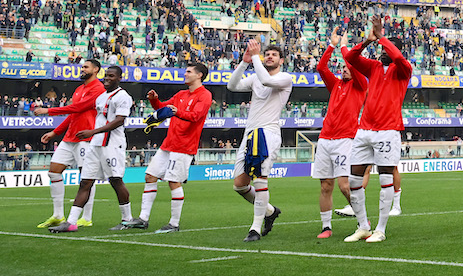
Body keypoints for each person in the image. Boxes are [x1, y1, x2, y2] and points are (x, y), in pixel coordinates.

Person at [343, 16, 413, 244]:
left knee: (385, 179)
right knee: (354, 180)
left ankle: (380, 230)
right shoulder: (373, 67)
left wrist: (382, 38)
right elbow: (350, 58)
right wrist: (367, 41)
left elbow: (398, 58)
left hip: (388, 130)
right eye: (381, 48)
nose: (382, 52)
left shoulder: (403, 70)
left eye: (386, 49)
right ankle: (363, 226)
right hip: (364, 130)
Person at [121, 62, 213, 232]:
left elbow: (196, 116)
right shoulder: (181, 94)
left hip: (184, 146)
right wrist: (154, 100)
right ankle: (143, 219)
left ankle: (174, 224)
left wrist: (177, 112)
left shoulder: (205, 95)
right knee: (150, 176)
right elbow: (162, 109)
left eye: (189, 72)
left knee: (173, 181)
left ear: (199, 75)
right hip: (169, 143)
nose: (185, 74)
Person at [49, 66, 133, 233]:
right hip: (95, 144)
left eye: (111, 76)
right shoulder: (101, 97)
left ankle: (127, 219)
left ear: (119, 78)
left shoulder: (123, 96)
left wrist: (92, 132)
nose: (107, 78)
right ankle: (71, 222)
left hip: (112, 144)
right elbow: (79, 110)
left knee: (116, 181)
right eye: (106, 75)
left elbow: (119, 121)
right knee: (85, 181)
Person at [227, 39, 294, 243]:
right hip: (249, 134)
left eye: (274, 55)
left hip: (267, 133)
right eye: (268, 54)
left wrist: (256, 57)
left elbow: (266, 81)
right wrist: (244, 62)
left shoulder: (285, 78)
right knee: (239, 185)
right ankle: (270, 211)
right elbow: (232, 86)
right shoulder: (256, 76)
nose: (270, 57)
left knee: (259, 180)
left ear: (281, 61)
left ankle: (255, 229)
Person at [33, 59, 104, 228]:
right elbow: (73, 114)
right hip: (70, 137)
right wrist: (55, 132)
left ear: (95, 70)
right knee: (54, 172)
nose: (82, 69)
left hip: (86, 137)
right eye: (82, 67)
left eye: (86, 67)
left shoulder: (99, 89)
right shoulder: (79, 89)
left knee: (86, 178)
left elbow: (78, 108)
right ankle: (58, 215)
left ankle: (86, 217)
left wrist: (48, 110)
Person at [313, 29, 368, 239]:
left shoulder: (360, 85)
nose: (344, 69)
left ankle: (363, 222)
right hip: (325, 139)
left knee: (345, 186)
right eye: (342, 67)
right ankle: (326, 227)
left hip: (345, 140)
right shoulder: (336, 84)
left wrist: (345, 48)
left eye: (347, 67)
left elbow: (352, 63)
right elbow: (321, 67)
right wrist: (332, 45)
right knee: (325, 185)